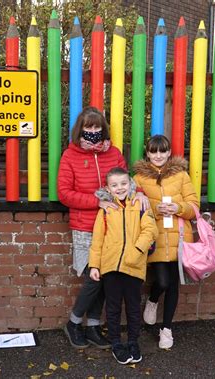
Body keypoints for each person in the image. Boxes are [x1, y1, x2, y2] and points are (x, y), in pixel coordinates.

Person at [57, 107, 148, 349]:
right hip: (86, 226)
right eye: (89, 128)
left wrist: (139, 193)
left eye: (98, 128)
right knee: (93, 279)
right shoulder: (70, 156)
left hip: (115, 226)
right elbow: (64, 193)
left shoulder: (114, 153)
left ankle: (94, 327)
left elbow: (126, 182)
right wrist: (97, 202)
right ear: (80, 130)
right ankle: (74, 323)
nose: (94, 132)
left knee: (108, 278)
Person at [133, 135, 199, 349]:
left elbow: (194, 206)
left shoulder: (181, 175)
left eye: (162, 151)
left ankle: (167, 330)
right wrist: (155, 210)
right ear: (147, 152)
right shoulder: (139, 178)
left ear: (169, 152)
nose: (158, 155)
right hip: (155, 237)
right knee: (162, 281)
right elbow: (133, 208)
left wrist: (178, 208)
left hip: (180, 237)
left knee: (173, 285)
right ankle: (152, 300)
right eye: (154, 151)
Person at [89, 167, 158, 364]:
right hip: (110, 266)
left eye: (123, 184)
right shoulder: (106, 210)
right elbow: (97, 240)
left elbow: (151, 230)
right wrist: (95, 265)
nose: (119, 188)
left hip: (134, 266)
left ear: (130, 184)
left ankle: (133, 342)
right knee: (113, 308)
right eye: (114, 185)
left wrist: (137, 251)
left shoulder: (140, 204)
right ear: (108, 188)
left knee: (133, 307)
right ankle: (117, 344)